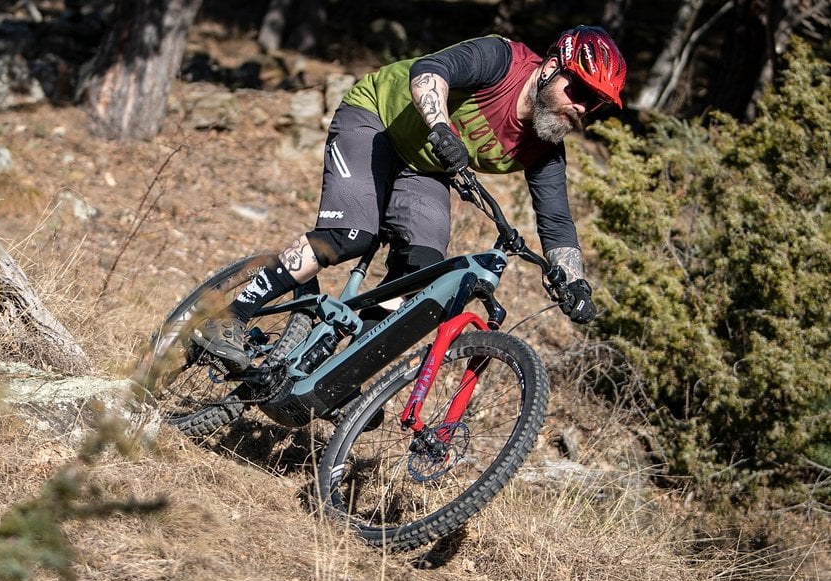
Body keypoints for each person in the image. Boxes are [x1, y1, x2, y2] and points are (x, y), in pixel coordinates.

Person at [196, 25, 627, 370]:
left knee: (420, 274)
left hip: (423, 168)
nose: (584, 108)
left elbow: (556, 222)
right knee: (349, 234)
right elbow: (429, 70)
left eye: (596, 103)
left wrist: (573, 281)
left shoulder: (544, 145)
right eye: (580, 91)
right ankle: (230, 314)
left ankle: (339, 368)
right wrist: (441, 127)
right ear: (552, 67)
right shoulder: (503, 60)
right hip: (376, 119)